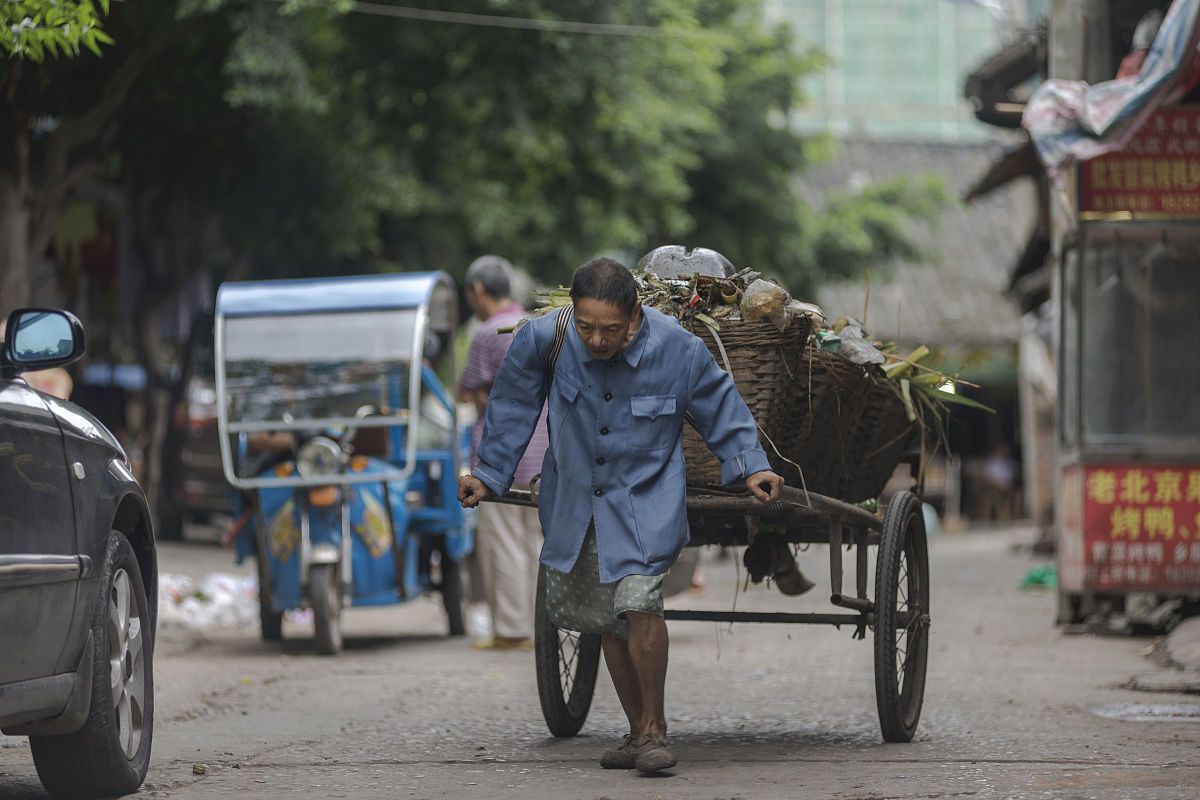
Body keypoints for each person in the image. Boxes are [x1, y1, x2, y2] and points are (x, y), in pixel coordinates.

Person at [458, 257, 784, 774]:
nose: (597, 339)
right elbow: (512, 405)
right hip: (577, 497)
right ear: (573, 313)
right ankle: (636, 733)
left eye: (610, 329)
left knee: (638, 601)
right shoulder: (548, 339)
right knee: (607, 616)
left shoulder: (677, 347)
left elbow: (721, 406)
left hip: (646, 497)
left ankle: (655, 731)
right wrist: (489, 473)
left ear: (635, 313)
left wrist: (750, 467)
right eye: (586, 326)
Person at [457, 255, 550, 650]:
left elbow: (467, 390)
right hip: (546, 453)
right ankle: (546, 623)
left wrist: (483, 396)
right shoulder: (539, 326)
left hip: (502, 459)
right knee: (537, 542)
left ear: (478, 290)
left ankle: (513, 629)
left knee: (506, 544)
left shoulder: (489, 332)